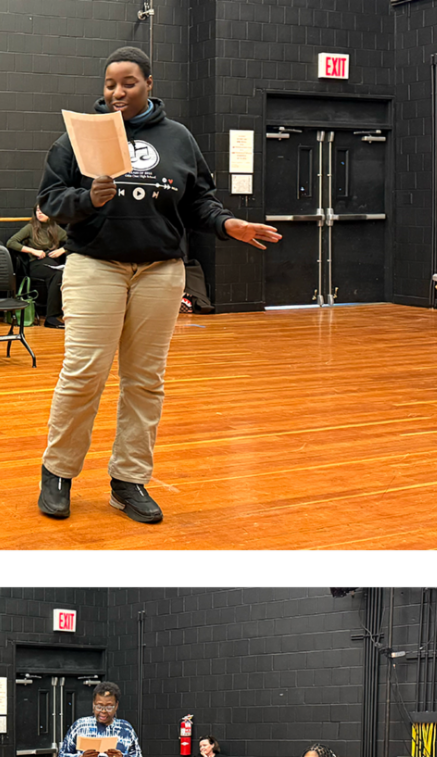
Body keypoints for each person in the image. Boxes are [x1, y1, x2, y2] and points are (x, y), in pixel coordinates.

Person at [35, 47, 280, 524]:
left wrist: (228, 225)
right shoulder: (80, 136)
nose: (116, 92)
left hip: (160, 270)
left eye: (127, 82)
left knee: (145, 381)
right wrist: (88, 198)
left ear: (149, 83)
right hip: (96, 266)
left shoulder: (178, 138)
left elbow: (199, 201)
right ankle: (58, 472)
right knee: (84, 372)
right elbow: (50, 200)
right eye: (109, 85)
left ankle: (129, 480)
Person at [7, 206, 68, 328]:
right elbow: (11, 242)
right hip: (35, 263)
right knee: (57, 275)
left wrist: (62, 250)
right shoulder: (31, 228)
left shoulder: (56, 229)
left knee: (64, 273)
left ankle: (65, 313)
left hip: (51, 263)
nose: (40, 213)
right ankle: (51, 317)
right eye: (38, 211)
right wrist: (34, 251)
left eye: (43, 210)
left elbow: (75, 241)